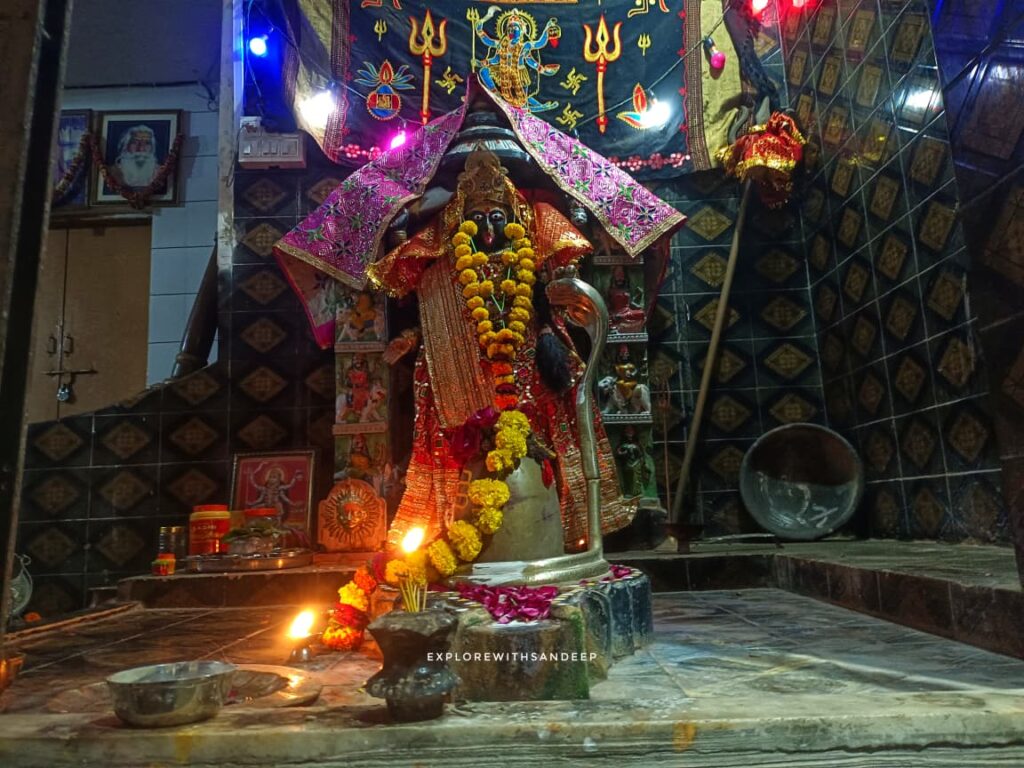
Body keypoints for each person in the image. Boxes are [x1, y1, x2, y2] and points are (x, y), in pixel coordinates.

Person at [374, 147, 631, 551]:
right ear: (460, 225)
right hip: (463, 374)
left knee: (544, 444)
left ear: (513, 222)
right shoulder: (445, 270)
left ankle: (557, 530)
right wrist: (409, 339)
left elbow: (548, 310)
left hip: (529, 368)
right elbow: (433, 318)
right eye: (477, 221)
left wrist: (551, 337)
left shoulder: (527, 260)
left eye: (497, 219)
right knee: (467, 453)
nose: (489, 230)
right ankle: (456, 535)